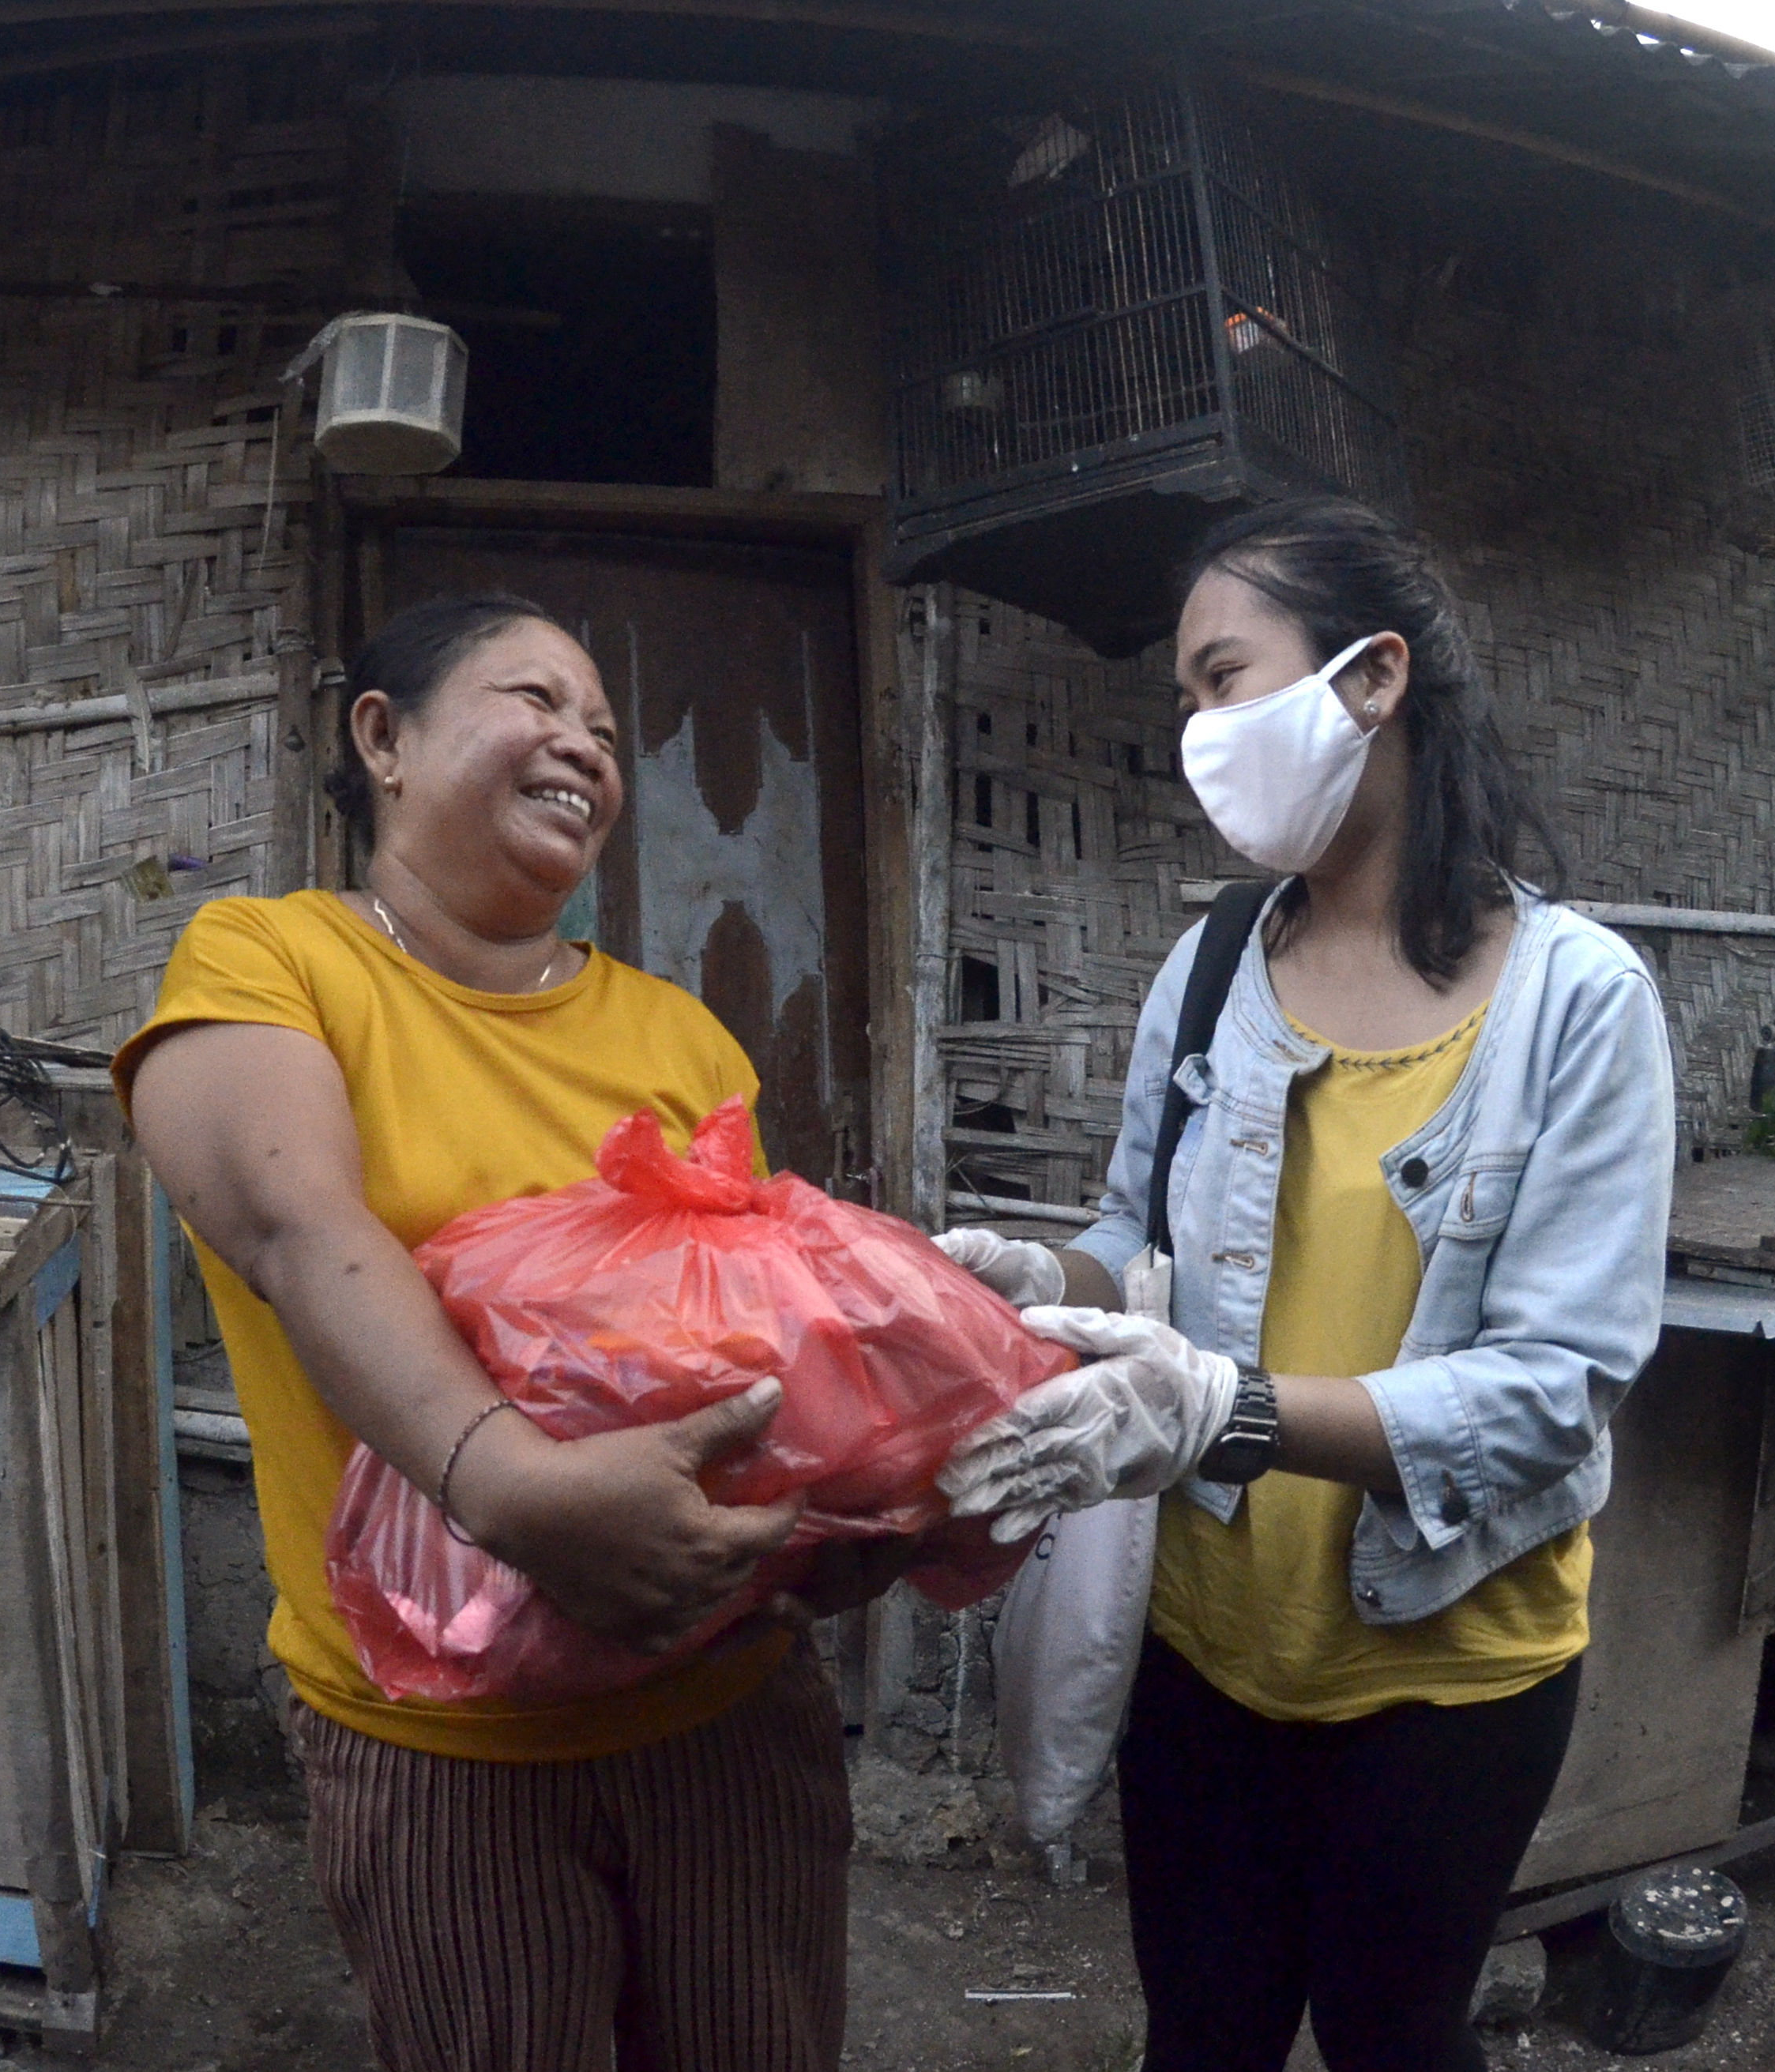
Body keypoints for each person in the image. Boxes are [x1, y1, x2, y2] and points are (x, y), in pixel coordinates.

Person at [116, 591, 920, 2072]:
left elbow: (754, 1345)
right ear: (385, 739)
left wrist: (854, 1505)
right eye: (535, 700)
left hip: (723, 1712)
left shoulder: (680, 1038)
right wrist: (507, 1487)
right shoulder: (270, 962)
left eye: (607, 732)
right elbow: (300, 1229)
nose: (584, 746)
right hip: (439, 1745)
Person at [937, 498, 1675, 2072]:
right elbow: (1134, 1236)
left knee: (1394, 2038)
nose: (1200, 732)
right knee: (1200, 2037)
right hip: (1207, 1649)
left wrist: (1227, 1409)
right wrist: (1021, 1276)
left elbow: (1559, 1387)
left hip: (1452, 1668)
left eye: (1223, 680)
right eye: (1189, 699)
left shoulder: (1580, 1004)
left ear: (1371, 677)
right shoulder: (1211, 965)